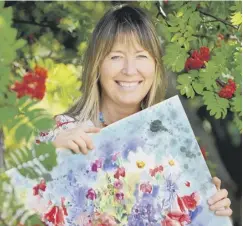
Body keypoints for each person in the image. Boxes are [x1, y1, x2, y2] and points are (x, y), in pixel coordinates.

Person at [37, 3, 232, 219]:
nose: (130, 70)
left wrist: (210, 209)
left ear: (156, 65)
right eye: (115, 57)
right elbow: (18, 197)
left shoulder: (172, 141)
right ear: (96, 65)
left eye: (141, 56)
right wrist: (51, 148)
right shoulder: (66, 131)